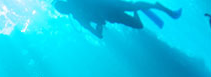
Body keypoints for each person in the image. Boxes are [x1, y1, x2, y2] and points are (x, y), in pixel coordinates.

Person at [53, 0, 182, 39]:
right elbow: (98, 35)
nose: (63, 10)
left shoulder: (76, 5)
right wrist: (99, 26)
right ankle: (139, 8)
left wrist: (98, 26)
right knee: (138, 24)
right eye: (61, 10)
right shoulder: (78, 18)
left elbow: (97, 34)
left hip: (110, 6)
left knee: (133, 6)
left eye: (62, 8)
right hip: (112, 15)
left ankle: (166, 10)